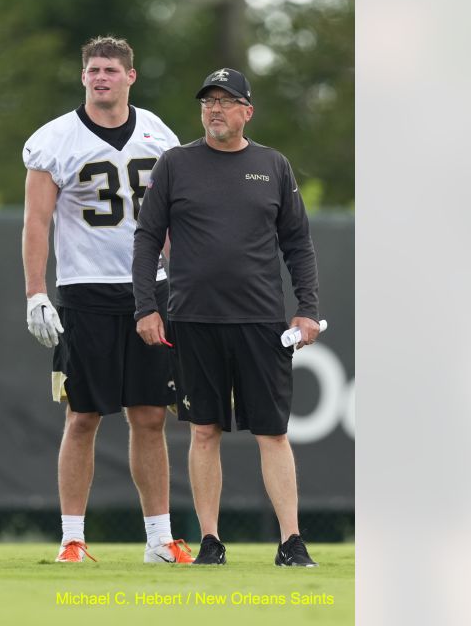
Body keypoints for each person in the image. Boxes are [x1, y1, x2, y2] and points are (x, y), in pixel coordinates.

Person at [131, 67, 322, 567]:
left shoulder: (273, 165)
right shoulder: (175, 164)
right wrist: (146, 306)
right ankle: (211, 540)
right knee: (203, 430)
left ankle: (291, 541)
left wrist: (308, 310)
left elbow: (298, 244)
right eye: (208, 101)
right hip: (193, 318)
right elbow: (147, 237)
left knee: (273, 432)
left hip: (261, 320)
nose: (215, 109)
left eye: (226, 100)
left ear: (246, 111)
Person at [21, 36, 193, 565]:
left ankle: (159, 540)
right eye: (93, 69)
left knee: (149, 416)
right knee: (84, 415)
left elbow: (171, 221)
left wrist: (180, 282)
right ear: (83, 76)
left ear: (130, 77)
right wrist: (35, 293)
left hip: (149, 290)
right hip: (86, 289)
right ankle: (73, 537)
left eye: (111, 70)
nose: (101, 77)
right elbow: (37, 220)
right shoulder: (56, 139)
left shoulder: (158, 134)